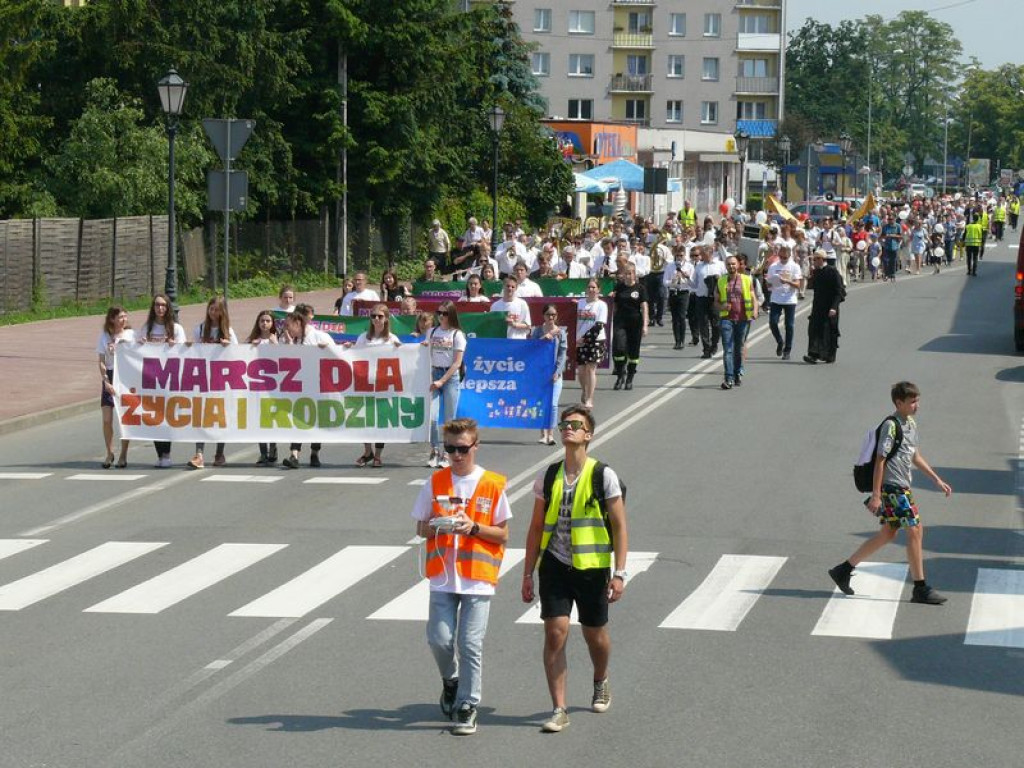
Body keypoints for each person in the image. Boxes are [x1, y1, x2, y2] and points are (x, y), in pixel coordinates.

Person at [521, 406, 628, 734]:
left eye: (575, 425)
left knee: (594, 634)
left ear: (588, 434)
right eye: (564, 424)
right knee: (555, 632)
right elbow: (536, 526)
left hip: (592, 567)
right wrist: (528, 574)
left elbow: (620, 527)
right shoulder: (548, 475)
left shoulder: (602, 475)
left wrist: (620, 573)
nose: (568, 429)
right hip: (555, 565)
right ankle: (559, 708)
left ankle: (600, 678)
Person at [412, 417, 511, 736]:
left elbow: (503, 534)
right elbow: (420, 527)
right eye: (450, 449)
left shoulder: (492, 483)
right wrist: (437, 525)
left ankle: (469, 704)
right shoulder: (436, 482)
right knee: (439, 639)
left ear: (475, 447)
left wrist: (474, 527)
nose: (456, 455)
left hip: (478, 577)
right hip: (443, 576)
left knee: (470, 643)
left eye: (462, 449)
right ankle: (450, 681)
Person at [828, 381, 952, 606]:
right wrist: (876, 495)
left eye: (917, 400)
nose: (917, 405)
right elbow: (880, 460)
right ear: (899, 402)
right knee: (915, 530)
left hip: (903, 486)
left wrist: (936, 479)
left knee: (888, 533)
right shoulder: (891, 426)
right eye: (912, 401)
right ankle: (920, 587)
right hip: (892, 488)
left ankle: (843, 570)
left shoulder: (911, 424)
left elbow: (915, 456)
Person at [187, 296, 237, 469]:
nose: (214, 313)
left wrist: (228, 346)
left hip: (221, 380)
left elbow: (239, 355)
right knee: (201, 416)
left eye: (217, 310)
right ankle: (199, 454)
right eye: (211, 309)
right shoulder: (200, 329)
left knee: (219, 417)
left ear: (223, 312)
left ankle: (219, 452)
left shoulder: (228, 331)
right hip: (203, 379)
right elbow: (193, 353)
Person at [350, 304, 401, 468]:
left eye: (380, 316)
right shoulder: (363, 337)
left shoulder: (391, 339)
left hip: (383, 384)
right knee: (364, 418)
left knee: (380, 419)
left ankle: (378, 454)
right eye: (373, 316)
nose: (376, 319)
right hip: (365, 382)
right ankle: (367, 451)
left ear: (386, 319)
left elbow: (402, 357)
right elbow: (354, 355)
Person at [139, 294, 186, 468]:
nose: (160, 308)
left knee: (167, 417)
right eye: (157, 305)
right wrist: (140, 344)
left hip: (170, 378)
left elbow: (185, 352)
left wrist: (175, 346)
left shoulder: (176, 329)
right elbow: (137, 351)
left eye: (163, 305)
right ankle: (160, 454)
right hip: (151, 378)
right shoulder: (147, 328)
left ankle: (167, 453)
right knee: (153, 417)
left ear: (168, 308)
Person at [280, 308, 330, 469]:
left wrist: (326, 349)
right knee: (298, 419)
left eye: (289, 326)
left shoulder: (319, 336)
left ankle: (315, 452)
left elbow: (338, 355)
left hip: (319, 385)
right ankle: (294, 454)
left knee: (316, 420)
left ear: (297, 323)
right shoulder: (291, 340)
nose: (287, 330)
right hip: (299, 386)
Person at [425, 301, 467, 468]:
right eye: (439, 313)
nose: (441, 316)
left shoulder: (457, 335)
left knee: (450, 419)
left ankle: (446, 452)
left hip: (450, 377)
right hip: (434, 373)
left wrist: (442, 380)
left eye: (445, 313)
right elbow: (424, 353)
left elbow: (457, 362)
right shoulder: (431, 331)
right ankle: (434, 449)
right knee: (432, 416)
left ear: (451, 315)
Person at [96, 306, 133, 469]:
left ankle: (123, 454)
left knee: (124, 419)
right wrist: (105, 381)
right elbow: (102, 361)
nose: (123, 320)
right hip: (110, 377)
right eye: (120, 317)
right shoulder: (104, 336)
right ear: (112, 319)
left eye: (125, 316)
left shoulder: (131, 335)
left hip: (125, 377)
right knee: (107, 419)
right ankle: (109, 452)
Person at [714, 255, 757, 390]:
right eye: (729, 264)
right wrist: (721, 307)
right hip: (727, 319)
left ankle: (738, 373)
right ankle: (729, 378)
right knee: (728, 349)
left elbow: (753, 296)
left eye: (733, 264)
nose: (731, 266)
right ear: (725, 266)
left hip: (743, 319)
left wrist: (755, 310)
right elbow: (716, 301)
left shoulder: (746, 279)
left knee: (738, 349)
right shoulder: (721, 281)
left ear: (738, 265)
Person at [530, 304, 568, 446]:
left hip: (554, 374)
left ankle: (550, 434)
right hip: (540, 374)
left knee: (552, 404)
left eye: (553, 315)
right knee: (541, 404)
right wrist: (544, 339)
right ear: (543, 316)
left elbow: (562, 354)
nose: (551, 317)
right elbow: (531, 348)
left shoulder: (561, 333)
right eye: (548, 314)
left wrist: (557, 372)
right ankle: (542, 433)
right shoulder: (538, 331)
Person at [247, 310, 279, 465]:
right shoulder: (253, 340)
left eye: (267, 321)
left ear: (272, 323)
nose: (265, 323)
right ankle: (263, 452)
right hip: (257, 385)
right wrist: (250, 348)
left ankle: (273, 446)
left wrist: (276, 345)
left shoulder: (277, 339)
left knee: (271, 417)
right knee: (259, 418)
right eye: (262, 321)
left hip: (274, 385)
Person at [802, 252, 845, 364]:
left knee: (828, 331)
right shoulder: (816, 272)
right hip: (817, 306)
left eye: (815, 259)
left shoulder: (832, 271)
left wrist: (834, 307)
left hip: (830, 307)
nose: (814, 262)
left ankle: (829, 355)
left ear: (821, 259)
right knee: (813, 330)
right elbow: (813, 288)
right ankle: (813, 355)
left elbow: (839, 291)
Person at [609, 264, 648, 391]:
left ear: (635, 274)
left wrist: (645, 325)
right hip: (620, 322)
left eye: (631, 273)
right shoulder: (619, 287)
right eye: (626, 273)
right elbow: (613, 306)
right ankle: (620, 375)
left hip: (635, 323)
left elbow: (644, 307)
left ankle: (630, 377)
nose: (628, 275)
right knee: (619, 349)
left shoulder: (640, 288)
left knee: (633, 353)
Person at [765, 245, 802, 361]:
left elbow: (798, 285)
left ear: (789, 256)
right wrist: (770, 282)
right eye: (780, 256)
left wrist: (787, 281)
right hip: (776, 298)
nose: (782, 259)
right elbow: (768, 284)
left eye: (785, 257)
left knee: (789, 325)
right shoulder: (773, 266)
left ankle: (787, 350)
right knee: (773, 322)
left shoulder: (794, 266)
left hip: (789, 299)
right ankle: (780, 341)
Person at [575, 278, 607, 409]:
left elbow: (599, 324)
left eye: (594, 287)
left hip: (595, 339)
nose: (591, 290)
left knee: (590, 369)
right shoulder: (580, 303)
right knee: (581, 370)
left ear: (598, 290)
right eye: (589, 287)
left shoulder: (601, 305)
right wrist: (577, 338)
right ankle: (584, 389)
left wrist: (586, 338)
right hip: (579, 340)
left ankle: (590, 398)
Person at [692, 245, 724, 359]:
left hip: (715, 298)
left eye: (704, 255)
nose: (702, 257)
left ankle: (714, 344)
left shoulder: (720, 265)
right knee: (703, 324)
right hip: (701, 298)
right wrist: (687, 279)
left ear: (710, 254)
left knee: (716, 324)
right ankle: (706, 349)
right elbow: (694, 283)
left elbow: (725, 280)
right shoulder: (698, 266)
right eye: (701, 255)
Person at [664, 245, 694, 350]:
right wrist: (672, 280)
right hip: (673, 292)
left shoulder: (689, 266)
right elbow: (665, 282)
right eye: (677, 256)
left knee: (681, 317)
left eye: (681, 255)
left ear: (684, 255)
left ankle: (682, 340)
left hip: (684, 292)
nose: (679, 258)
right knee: (675, 318)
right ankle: (676, 341)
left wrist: (686, 277)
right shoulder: (670, 266)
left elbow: (693, 284)